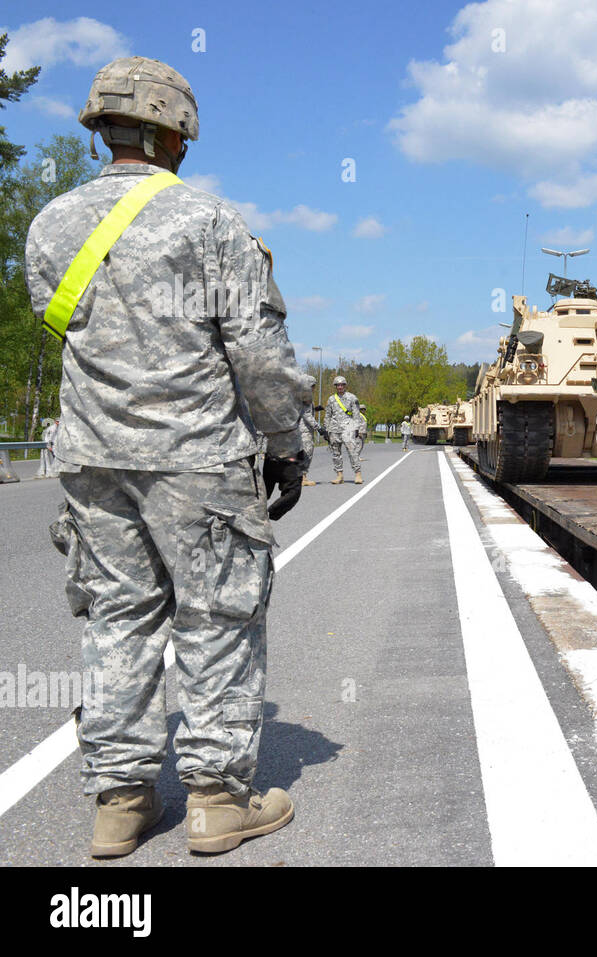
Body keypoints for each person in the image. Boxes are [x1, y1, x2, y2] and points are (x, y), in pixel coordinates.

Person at [24, 56, 312, 857]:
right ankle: (217, 800)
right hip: (196, 459)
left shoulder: (48, 226)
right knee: (217, 617)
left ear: (104, 129)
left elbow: (65, 329)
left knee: (118, 617)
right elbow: (256, 352)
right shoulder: (209, 224)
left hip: (91, 459)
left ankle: (118, 801)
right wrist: (287, 443)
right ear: (171, 131)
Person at [324, 375, 364, 484]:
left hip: (348, 428)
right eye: (338, 385)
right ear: (335, 386)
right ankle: (339, 475)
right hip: (334, 429)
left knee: (352, 452)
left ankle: (358, 474)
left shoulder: (352, 398)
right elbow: (328, 415)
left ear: (345, 386)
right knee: (336, 453)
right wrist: (326, 429)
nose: (340, 387)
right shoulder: (331, 399)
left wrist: (357, 428)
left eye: (342, 385)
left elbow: (356, 414)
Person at [298, 400, 327, 486]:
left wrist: (314, 409)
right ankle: (303, 478)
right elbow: (307, 415)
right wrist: (319, 428)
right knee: (307, 453)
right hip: (305, 431)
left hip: (300, 430)